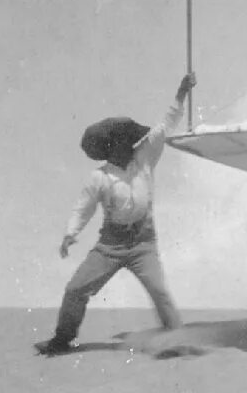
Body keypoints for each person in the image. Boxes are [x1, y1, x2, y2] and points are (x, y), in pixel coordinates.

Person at [35, 72, 197, 357]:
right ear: (110, 148)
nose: (129, 144)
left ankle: (177, 343)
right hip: (109, 246)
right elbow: (83, 207)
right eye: (121, 142)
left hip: (144, 244)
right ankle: (62, 340)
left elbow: (166, 124)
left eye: (129, 140)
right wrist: (70, 234)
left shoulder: (145, 157)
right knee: (75, 289)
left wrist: (182, 92)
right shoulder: (99, 177)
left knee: (160, 292)